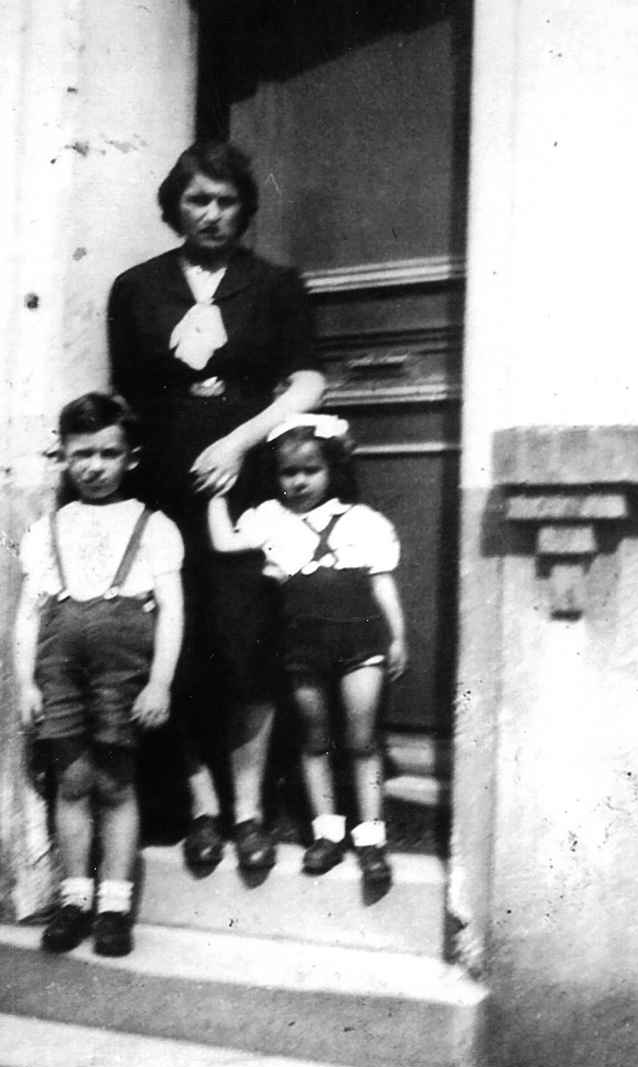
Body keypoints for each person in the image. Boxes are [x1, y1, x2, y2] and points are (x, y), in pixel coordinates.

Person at [108, 140, 324, 875]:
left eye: (227, 200)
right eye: (198, 199)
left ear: (245, 209)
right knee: (176, 641)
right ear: (175, 206)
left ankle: (252, 813)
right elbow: (127, 401)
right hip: (163, 492)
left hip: (249, 486)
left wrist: (239, 442)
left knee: (247, 644)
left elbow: (305, 387)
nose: (212, 213)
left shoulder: (275, 286)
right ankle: (201, 806)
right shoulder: (135, 289)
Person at [14, 393, 184, 956]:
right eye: (82, 454)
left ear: (130, 458)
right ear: (63, 456)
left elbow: (172, 611)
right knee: (72, 782)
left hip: (123, 670)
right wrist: (26, 682)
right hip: (59, 667)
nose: (95, 466)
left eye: (109, 454)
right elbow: (29, 614)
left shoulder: (152, 525)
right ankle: (74, 899)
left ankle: (114, 905)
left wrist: (160, 681)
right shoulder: (47, 530)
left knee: (114, 783)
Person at [208, 414, 408, 887]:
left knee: (362, 741)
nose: (298, 482)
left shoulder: (364, 521)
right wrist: (215, 496)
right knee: (313, 739)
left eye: (310, 470)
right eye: (287, 473)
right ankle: (326, 835)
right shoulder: (269, 520)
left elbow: (382, 584)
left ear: (332, 470)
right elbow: (223, 541)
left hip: (362, 645)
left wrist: (397, 636)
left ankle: (372, 839)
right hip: (301, 648)